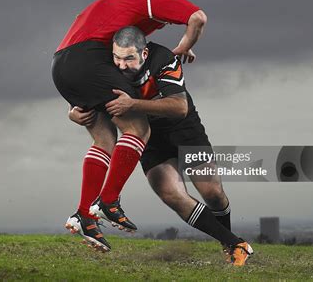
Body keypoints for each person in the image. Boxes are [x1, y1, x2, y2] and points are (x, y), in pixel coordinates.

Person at [69, 26, 254, 266]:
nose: (121, 65)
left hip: (183, 129)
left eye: (129, 58)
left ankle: (228, 240)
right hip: (148, 137)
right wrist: (74, 113)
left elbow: (180, 107)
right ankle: (235, 245)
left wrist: (133, 104)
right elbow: (86, 94)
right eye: (117, 58)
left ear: (144, 54)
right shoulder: (106, 66)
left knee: (213, 193)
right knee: (172, 194)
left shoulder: (162, 59)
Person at [52, 0, 207, 252]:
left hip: (64, 65)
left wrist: (75, 104)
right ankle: (108, 201)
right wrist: (186, 44)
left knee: (104, 140)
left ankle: (85, 217)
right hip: (88, 60)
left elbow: (81, 53)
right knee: (138, 128)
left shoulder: (119, 8)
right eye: (170, 18)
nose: (168, 22)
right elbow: (197, 17)